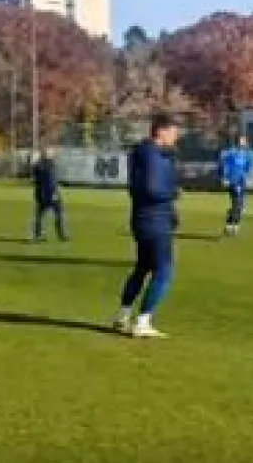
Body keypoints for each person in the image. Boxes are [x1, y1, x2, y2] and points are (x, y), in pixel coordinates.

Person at [113, 114, 181, 339]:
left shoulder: (144, 153)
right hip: (155, 220)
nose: (176, 137)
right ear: (160, 131)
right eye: (173, 132)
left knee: (142, 268)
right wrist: (172, 193)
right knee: (164, 270)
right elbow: (152, 189)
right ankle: (143, 321)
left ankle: (123, 315)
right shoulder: (152, 155)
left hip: (145, 219)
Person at [31, 147, 68, 243]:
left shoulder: (38, 166)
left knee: (39, 215)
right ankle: (61, 234)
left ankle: (38, 235)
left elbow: (35, 180)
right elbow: (52, 181)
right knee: (58, 213)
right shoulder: (51, 166)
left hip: (41, 194)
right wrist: (54, 192)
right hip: (51, 194)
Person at [219, 135, 253, 236]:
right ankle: (232, 225)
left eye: (244, 142)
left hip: (242, 181)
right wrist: (224, 177)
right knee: (236, 202)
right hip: (233, 181)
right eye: (241, 141)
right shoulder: (231, 153)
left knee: (240, 206)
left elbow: (248, 167)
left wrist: (246, 176)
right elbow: (223, 164)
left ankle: (232, 224)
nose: (243, 143)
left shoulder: (247, 155)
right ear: (238, 142)